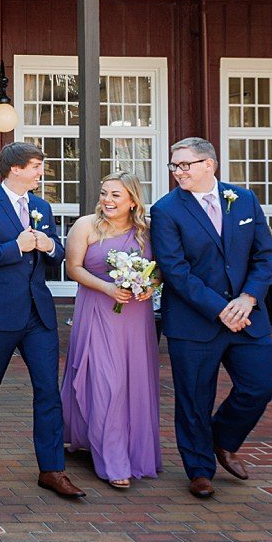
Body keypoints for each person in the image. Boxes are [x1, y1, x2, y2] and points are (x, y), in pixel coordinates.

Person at [149, 137, 272, 500]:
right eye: (173, 166)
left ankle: (223, 439)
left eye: (184, 165)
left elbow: (264, 256)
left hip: (247, 316)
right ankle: (199, 470)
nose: (177, 172)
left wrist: (248, 298)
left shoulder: (245, 199)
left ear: (210, 164)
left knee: (260, 386)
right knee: (193, 398)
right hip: (195, 321)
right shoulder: (166, 210)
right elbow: (175, 270)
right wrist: (221, 309)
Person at [0, 142, 84, 500]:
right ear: (15, 169)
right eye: (35, 166)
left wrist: (49, 246)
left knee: (48, 389)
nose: (40, 172)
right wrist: (16, 247)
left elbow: (57, 256)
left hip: (38, 314)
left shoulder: (42, 206)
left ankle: (51, 469)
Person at [60, 171, 164, 489]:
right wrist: (107, 288)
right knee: (107, 383)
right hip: (97, 312)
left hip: (136, 318)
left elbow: (158, 269)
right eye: (105, 193)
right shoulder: (86, 226)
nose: (107, 200)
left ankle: (127, 449)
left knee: (132, 382)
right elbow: (72, 268)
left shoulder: (146, 232)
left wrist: (150, 285)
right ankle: (113, 459)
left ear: (133, 199)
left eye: (116, 194)